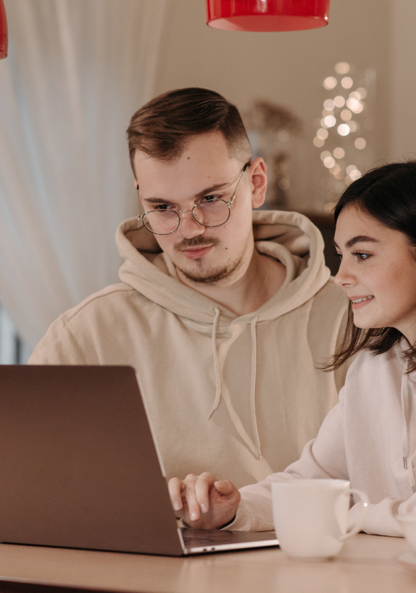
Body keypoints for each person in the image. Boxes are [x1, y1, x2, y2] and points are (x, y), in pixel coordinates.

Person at [29, 87, 349, 490]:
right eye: (163, 208)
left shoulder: (354, 321)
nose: (190, 229)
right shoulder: (86, 334)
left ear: (256, 183)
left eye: (211, 198)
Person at [169, 161, 416, 537]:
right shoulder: (372, 370)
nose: (342, 276)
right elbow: (315, 479)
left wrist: (349, 516)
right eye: (341, 255)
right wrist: (233, 509)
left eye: (362, 255)